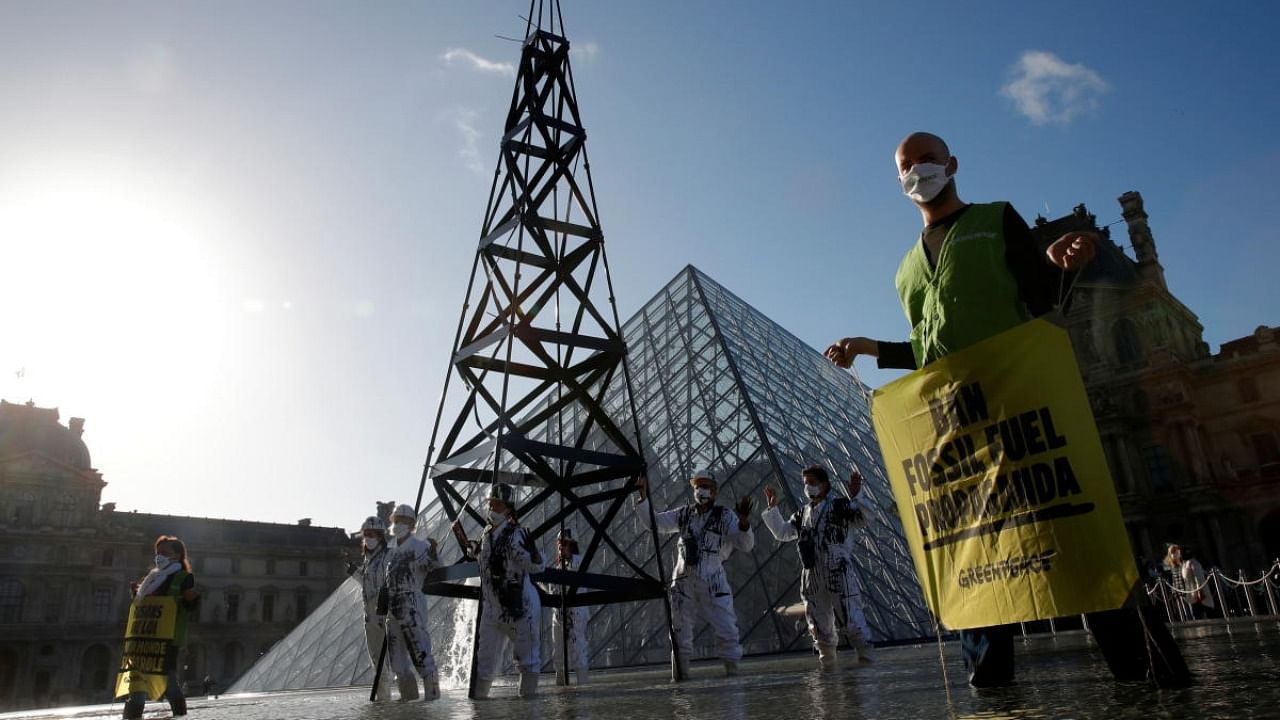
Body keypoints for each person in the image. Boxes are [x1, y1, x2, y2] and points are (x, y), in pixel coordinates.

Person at [825, 131, 1189, 688]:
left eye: (927, 160)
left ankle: (1148, 675)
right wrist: (867, 348)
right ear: (897, 179)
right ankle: (989, 689)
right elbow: (931, 350)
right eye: (907, 164)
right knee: (973, 557)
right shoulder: (904, 270)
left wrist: (1061, 261)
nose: (918, 170)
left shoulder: (996, 220)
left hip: (1022, 410)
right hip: (958, 425)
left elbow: (1043, 295)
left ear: (952, 165)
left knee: (1078, 542)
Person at [635, 469, 755, 678]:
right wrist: (643, 496)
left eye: (706, 486)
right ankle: (680, 683)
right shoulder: (683, 514)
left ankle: (733, 680)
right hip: (683, 580)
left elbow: (745, 544)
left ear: (715, 492)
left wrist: (744, 522)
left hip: (713, 580)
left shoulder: (725, 515)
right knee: (679, 634)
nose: (701, 490)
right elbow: (654, 523)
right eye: (698, 486)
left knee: (727, 630)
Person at [761, 465, 874, 669]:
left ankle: (866, 666)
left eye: (812, 482)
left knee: (851, 620)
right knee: (819, 627)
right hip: (812, 572)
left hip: (837, 568)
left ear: (825, 485)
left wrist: (857, 496)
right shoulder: (802, 513)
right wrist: (772, 508)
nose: (808, 487)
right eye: (806, 483)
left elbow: (865, 519)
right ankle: (828, 668)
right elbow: (783, 533)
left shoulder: (840, 506)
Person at [455, 483, 545, 699]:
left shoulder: (517, 535)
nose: (492, 507)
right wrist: (474, 549)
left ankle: (529, 708)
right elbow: (486, 561)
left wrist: (533, 552)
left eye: (496, 504)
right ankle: (480, 706)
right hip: (492, 607)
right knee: (483, 662)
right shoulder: (487, 534)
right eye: (491, 503)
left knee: (528, 661)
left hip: (520, 608)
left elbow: (537, 567)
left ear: (507, 508)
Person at [122, 536, 198, 719]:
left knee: (168, 680)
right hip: (143, 636)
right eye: (157, 553)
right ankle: (132, 713)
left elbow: (189, 607)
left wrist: (191, 599)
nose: (159, 557)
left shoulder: (184, 577)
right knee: (136, 681)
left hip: (168, 636)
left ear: (177, 555)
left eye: (164, 553)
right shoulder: (151, 578)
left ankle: (180, 715)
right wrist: (135, 593)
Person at [383, 503, 441, 701]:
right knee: (397, 662)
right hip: (393, 608)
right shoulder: (390, 551)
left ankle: (432, 700)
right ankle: (409, 702)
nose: (398, 524)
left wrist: (433, 551)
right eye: (396, 520)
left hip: (411, 604)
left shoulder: (420, 546)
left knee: (422, 654)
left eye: (403, 521)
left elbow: (433, 565)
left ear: (412, 524)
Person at [352, 515, 392, 701]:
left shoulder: (388, 556)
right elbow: (367, 584)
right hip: (370, 615)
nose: (368, 537)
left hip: (384, 612)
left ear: (381, 536)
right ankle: (383, 698)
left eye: (372, 534)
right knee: (377, 660)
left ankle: (401, 700)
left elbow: (389, 584)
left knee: (390, 659)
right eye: (365, 534)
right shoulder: (368, 560)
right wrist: (354, 572)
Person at [549, 529, 591, 685]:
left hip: (576, 612)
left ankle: (582, 687)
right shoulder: (557, 566)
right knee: (558, 654)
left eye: (565, 543)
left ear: (572, 545)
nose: (561, 547)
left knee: (578, 650)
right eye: (559, 543)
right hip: (559, 614)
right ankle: (561, 689)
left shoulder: (579, 561)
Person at [1165, 544, 1218, 619]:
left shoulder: (1193, 563)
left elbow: (1198, 578)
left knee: (1206, 615)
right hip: (1192, 596)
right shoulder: (1184, 564)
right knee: (1196, 616)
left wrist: (1200, 592)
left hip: (1199, 596)